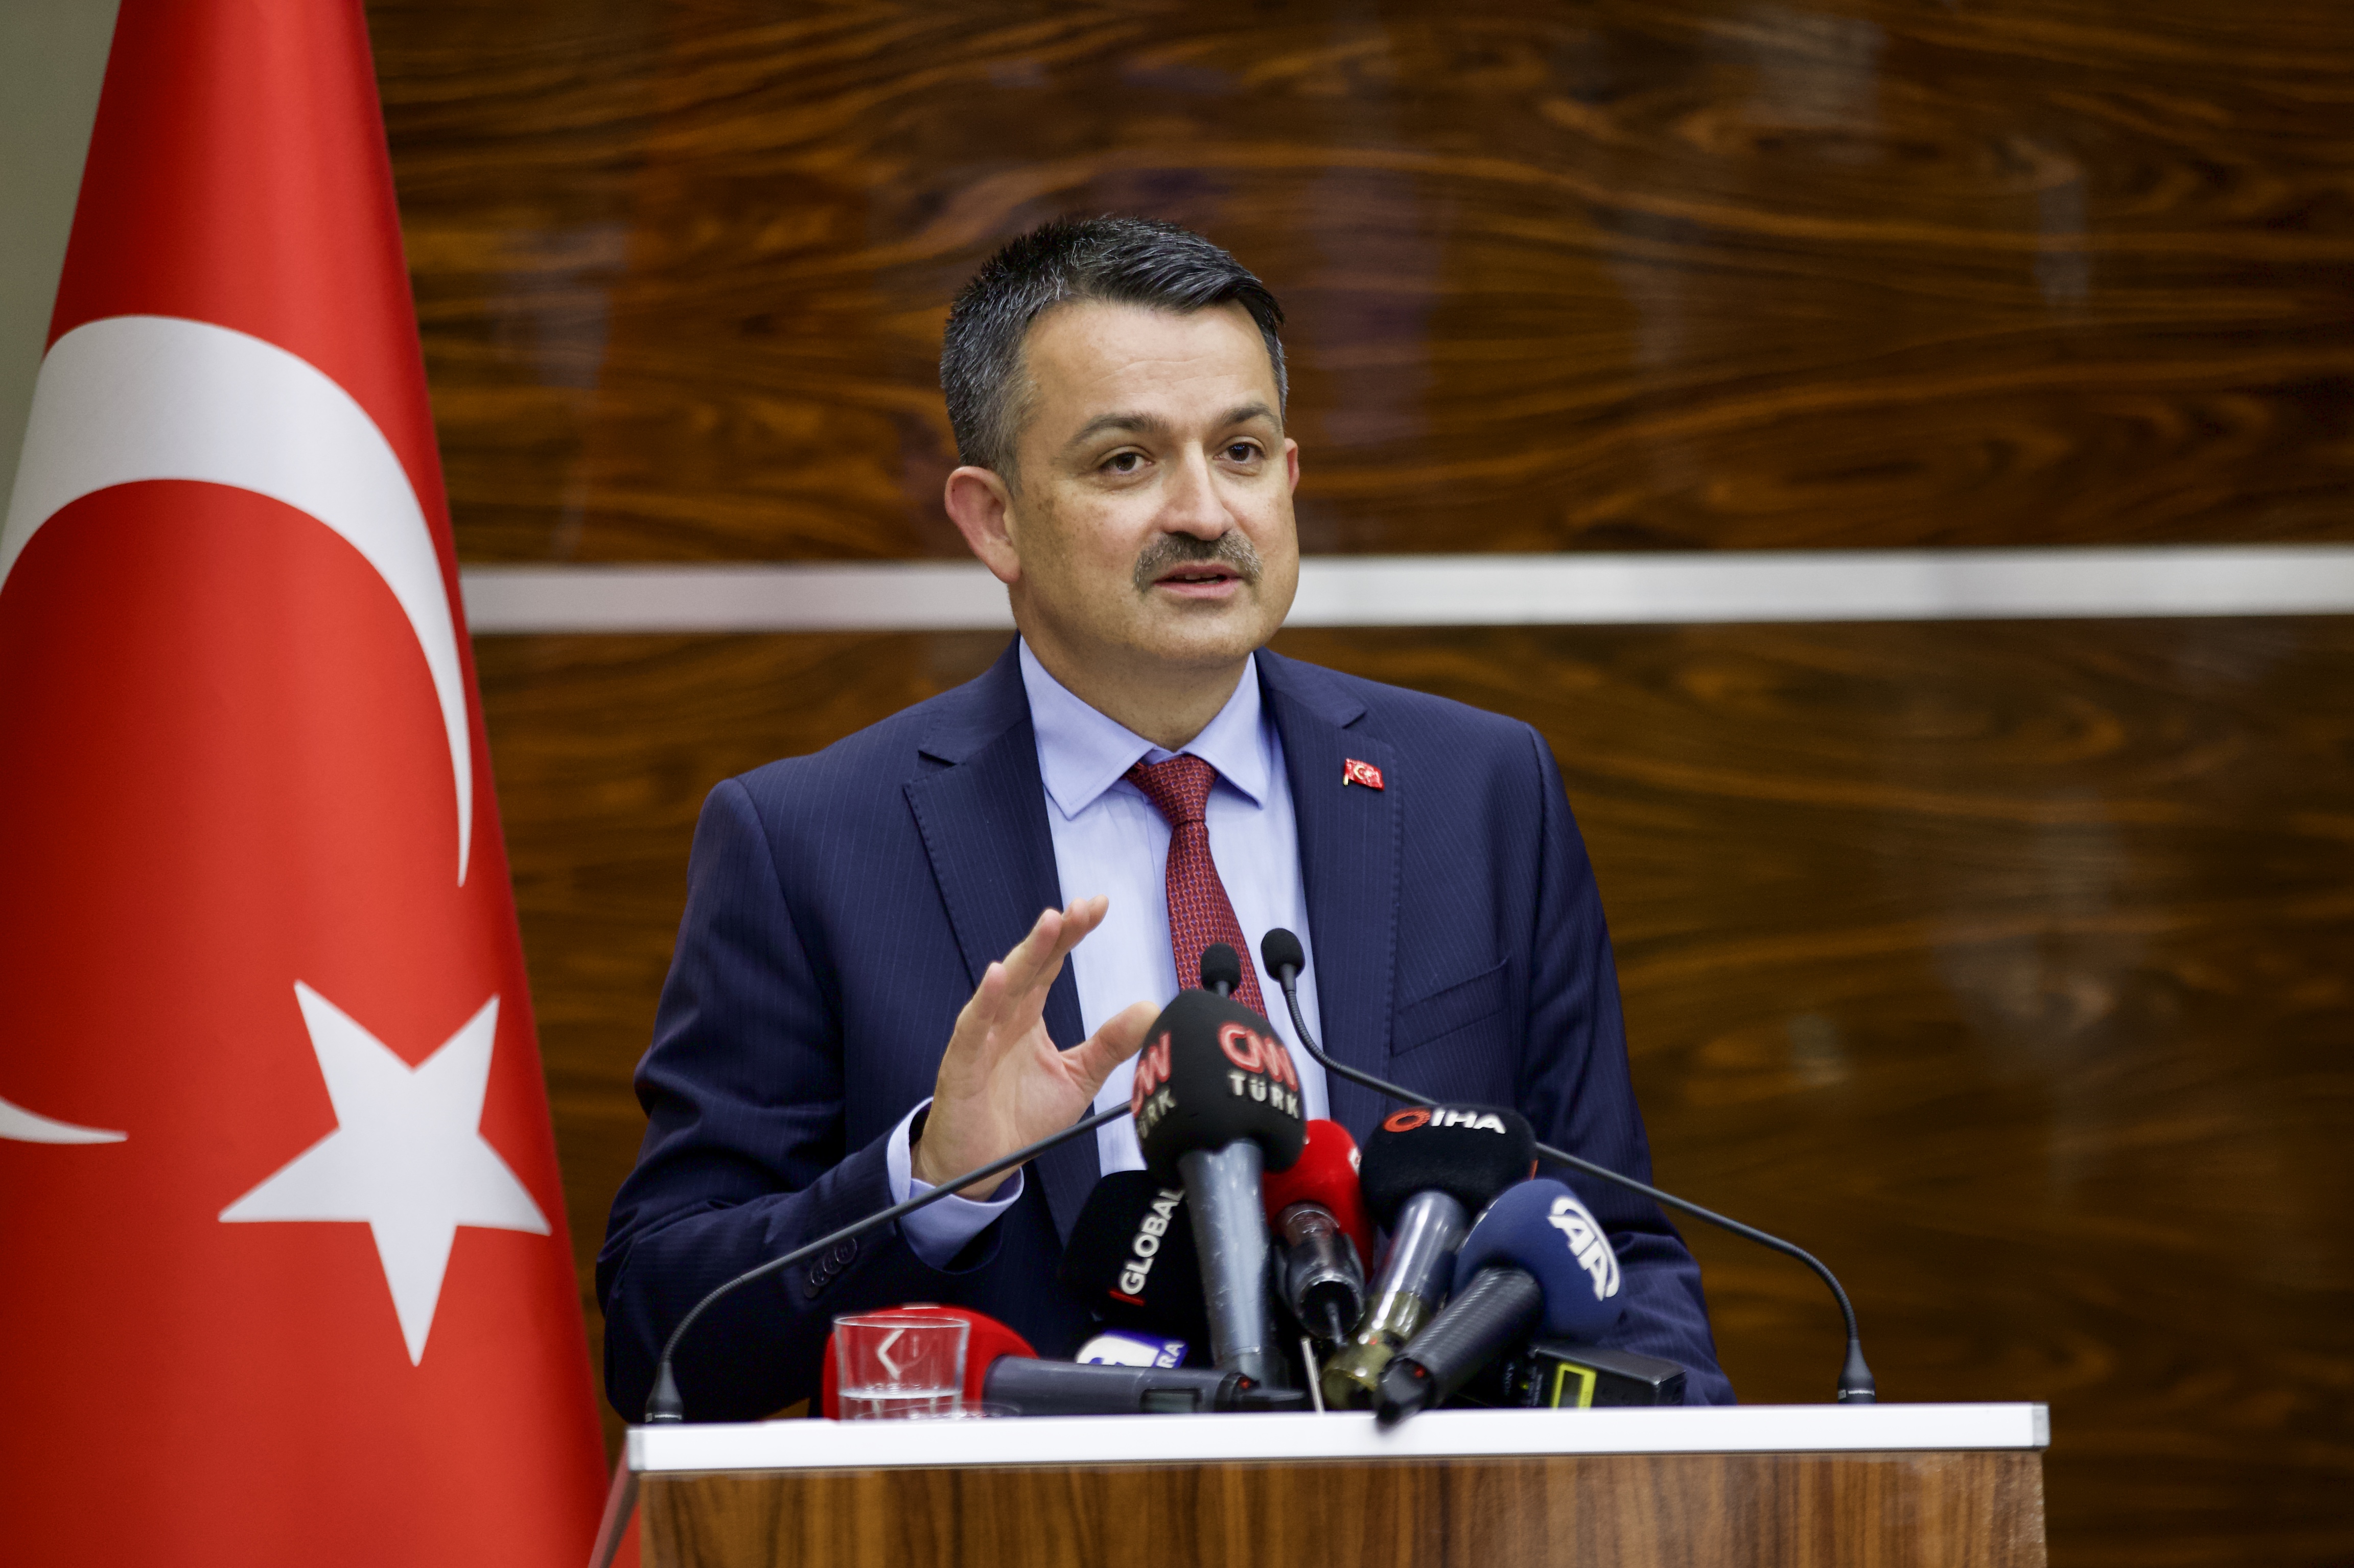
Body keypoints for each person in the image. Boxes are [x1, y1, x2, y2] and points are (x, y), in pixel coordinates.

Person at [597, 217, 1732, 1419]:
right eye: (1126, 461)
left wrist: (1696, 1478)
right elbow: (663, 1337)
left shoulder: (1481, 789)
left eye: (1240, 451)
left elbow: (1615, 1245)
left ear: (1290, 478)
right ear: (994, 519)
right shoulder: (810, 841)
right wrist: (931, 1179)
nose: (1203, 510)